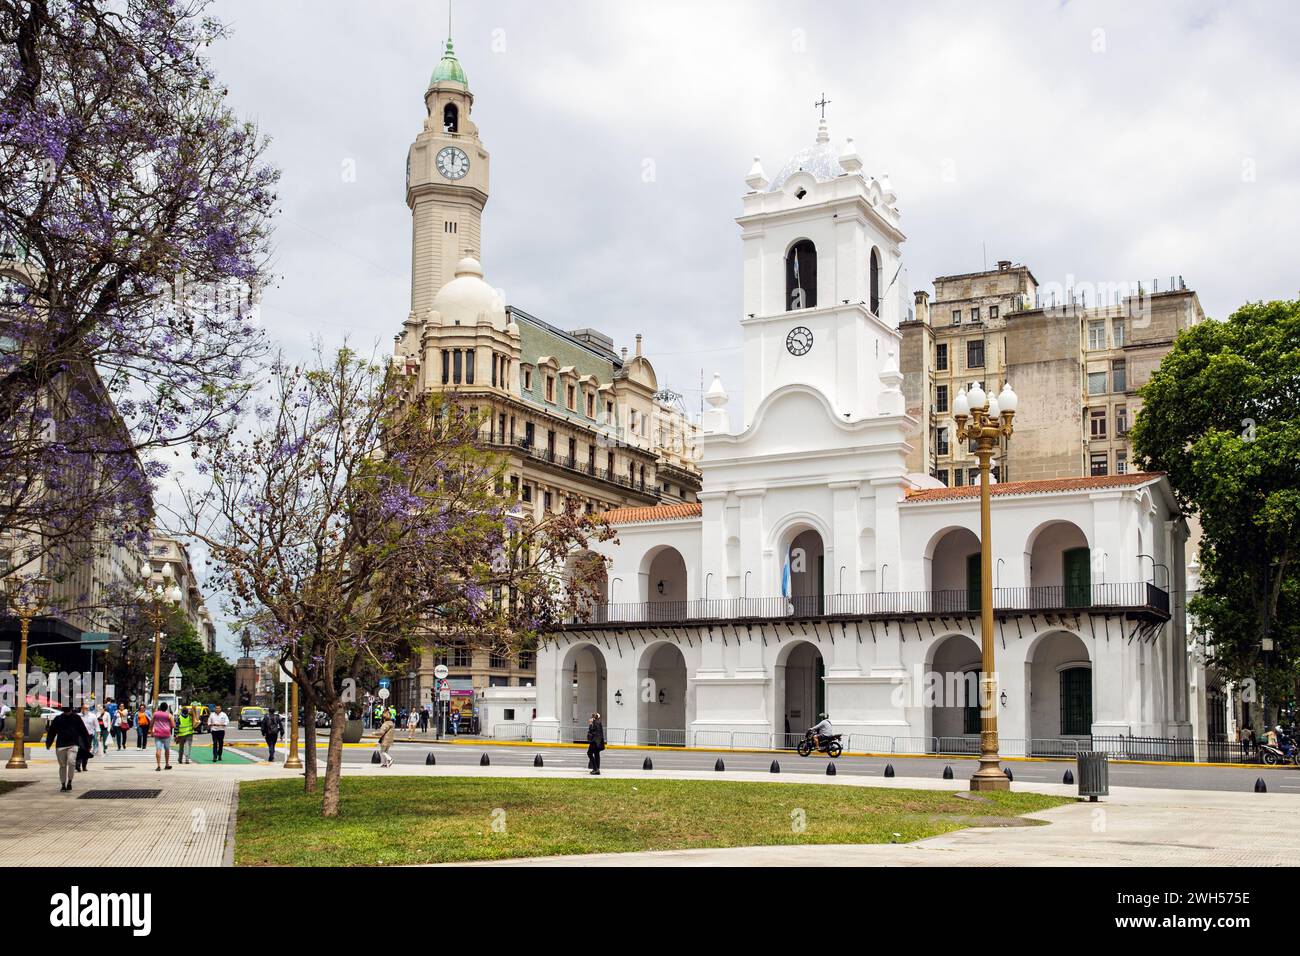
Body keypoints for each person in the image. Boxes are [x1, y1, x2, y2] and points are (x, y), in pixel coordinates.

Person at [45, 703, 93, 792]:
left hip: (73, 744)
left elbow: (83, 731)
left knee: (71, 762)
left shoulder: (76, 718)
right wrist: (48, 743)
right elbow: (52, 732)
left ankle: (70, 781)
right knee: (62, 765)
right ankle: (63, 784)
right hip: (60, 745)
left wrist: (87, 744)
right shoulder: (58, 718)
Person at [151, 701, 174, 771]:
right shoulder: (169, 715)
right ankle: (167, 764)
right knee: (167, 749)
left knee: (158, 749)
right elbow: (173, 725)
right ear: (166, 708)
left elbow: (151, 723)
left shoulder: (155, 714)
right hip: (166, 734)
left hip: (157, 733)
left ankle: (158, 765)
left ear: (160, 707)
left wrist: (151, 731)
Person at [77, 702, 97, 771]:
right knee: (80, 749)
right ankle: (78, 764)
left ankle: (84, 766)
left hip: (89, 736)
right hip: (80, 735)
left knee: (86, 750)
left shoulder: (93, 716)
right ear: (82, 709)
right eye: (85, 708)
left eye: (88, 709)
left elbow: (96, 726)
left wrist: (98, 735)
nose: (86, 710)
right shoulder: (78, 716)